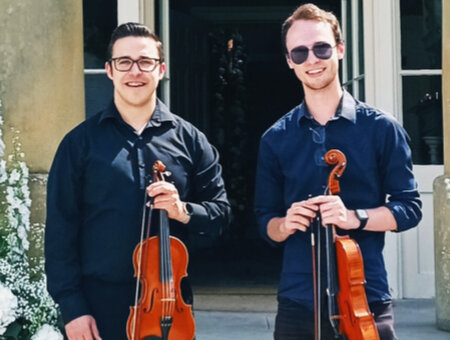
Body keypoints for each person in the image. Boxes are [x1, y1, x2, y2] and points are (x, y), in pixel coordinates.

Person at [45, 22, 231, 340]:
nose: (135, 71)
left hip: (169, 309)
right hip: (98, 307)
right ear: (109, 70)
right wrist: (73, 309)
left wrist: (183, 210)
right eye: (124, 62)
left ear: (161, 70)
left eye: (145, 62)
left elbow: (221, 215)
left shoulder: (191, 140)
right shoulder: (79, 144)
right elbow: (60, 234)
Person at [254, 4, 422, 340]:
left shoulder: (381, 129)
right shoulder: (275, 138)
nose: (311, 60)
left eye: (321, 48)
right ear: (289, 61)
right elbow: (265, 222)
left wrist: (355, 217)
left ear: (339, 50)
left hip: (365, 296)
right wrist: (285, 224)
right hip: (298, 298)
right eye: (299, 52)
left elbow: (409, 209)